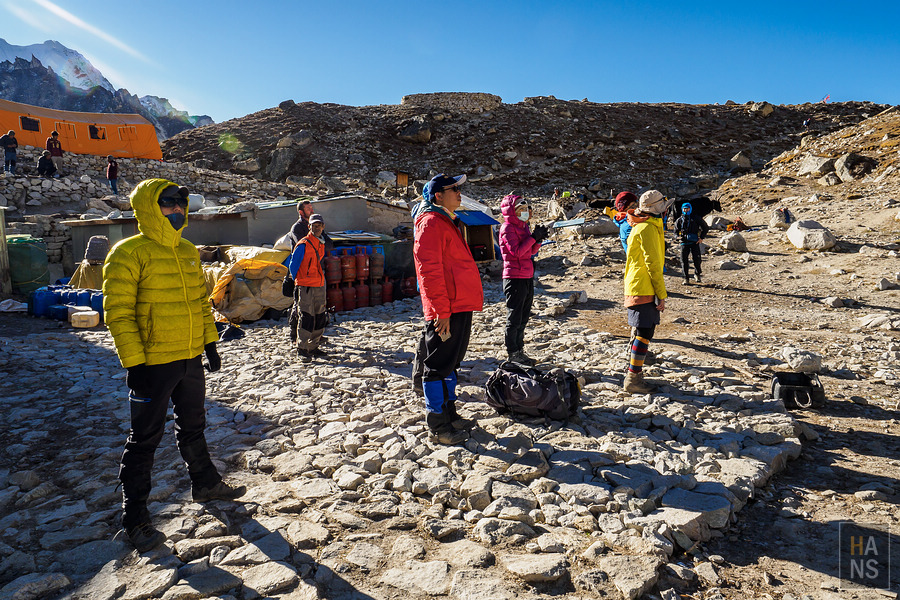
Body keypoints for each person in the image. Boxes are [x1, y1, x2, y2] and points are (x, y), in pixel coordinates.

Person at [103, 178, 245, 553]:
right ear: (150, 207)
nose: (177, 210)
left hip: (188, 357)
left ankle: (206, 483)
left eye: (181, 203)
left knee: (194, 425)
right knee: (144, 440)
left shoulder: (185, 251)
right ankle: (134, 519)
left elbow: (200, 302)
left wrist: (210, 344)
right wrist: (135, 363)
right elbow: (117, 313)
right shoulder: (127, 252)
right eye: (168, 203)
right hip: (153, 362)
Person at [413, 173, 483, 445]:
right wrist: (440, 311)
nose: (459, 193)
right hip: (447, 308)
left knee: (451, 362)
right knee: (438, 365)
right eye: (454, 189)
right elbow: (429, 272)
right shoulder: (430, 223)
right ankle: (438, 424)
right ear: (438, 195)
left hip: (458, 303)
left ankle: (450, 413)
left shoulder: (445, 221)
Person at [622, 189, 673, 394]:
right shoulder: (648, 229)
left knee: (644, 331)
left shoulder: (646, 227)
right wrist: (661, 293)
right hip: (643, 286)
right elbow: (653, 264)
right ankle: (633, 378)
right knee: (644, 332)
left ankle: (635, 376)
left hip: (639, 284)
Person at [499, 194, 547, 365]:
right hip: (514, 277)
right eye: (521, 210)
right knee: (514, 317)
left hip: (526, 275)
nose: (525, 213)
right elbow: (517, 252)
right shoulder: (507, 228)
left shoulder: (523, 227)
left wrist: (538, 240)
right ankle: (513, 352)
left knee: (524, 316)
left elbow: (530, 252)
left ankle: (520, 350)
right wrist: (534, 237)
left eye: (526, 209)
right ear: (512, 212)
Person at [287, 213, 328, 363]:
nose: (317, 228)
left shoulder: (320, 243)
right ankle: (302, 348)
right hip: (306, 286)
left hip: (319, 284)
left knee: (320, 316)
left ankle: (313, 346)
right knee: (306, 317)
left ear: (323, 227)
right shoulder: (304, 243)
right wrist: (300, 281)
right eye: (314, 225)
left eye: (319, 225)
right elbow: (293, 265)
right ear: (309, 227)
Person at [674, 202, 709, 284]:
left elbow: (705, 227)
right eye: (684, 209)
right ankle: (685, 278)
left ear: (690, 209)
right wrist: (677, 237)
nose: (686, 210)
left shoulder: (696, 218)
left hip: (694, 242)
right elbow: (675, 232)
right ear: (682, 209)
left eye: (687, 208)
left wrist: (702, 238)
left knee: (697, 260)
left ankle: (697, 274)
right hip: (684, 243)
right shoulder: (679, 220)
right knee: (684, 261)